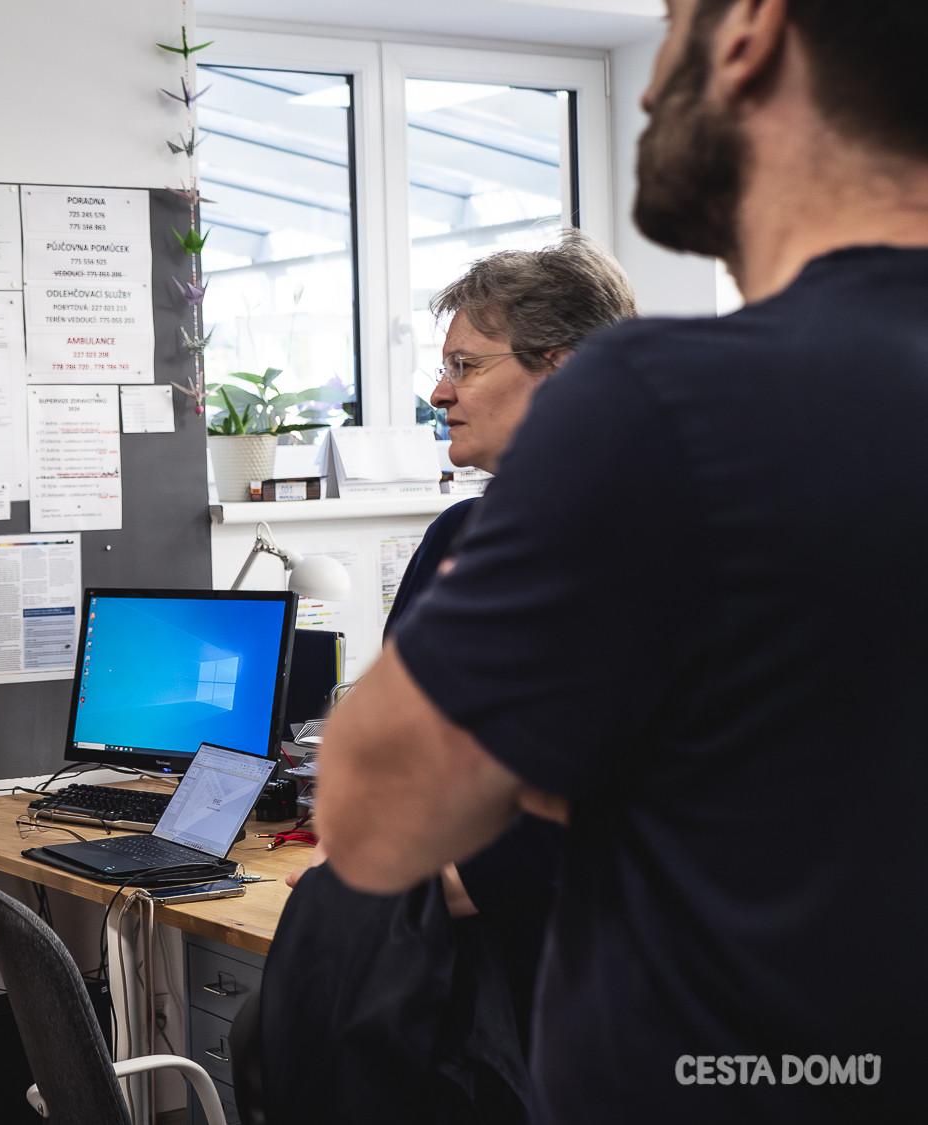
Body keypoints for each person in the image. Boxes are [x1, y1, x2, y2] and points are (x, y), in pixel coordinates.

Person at [318, 1, 928, 1121]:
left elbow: (374, 814)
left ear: (749, 33)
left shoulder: (667, 401)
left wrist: (577, 777)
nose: (646, 87)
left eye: (674, 23)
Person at [262, 232, 636, 1125]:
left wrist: (411, 887)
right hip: (439, 979)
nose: (439, 392)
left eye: (465, 365)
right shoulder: (456, 538)